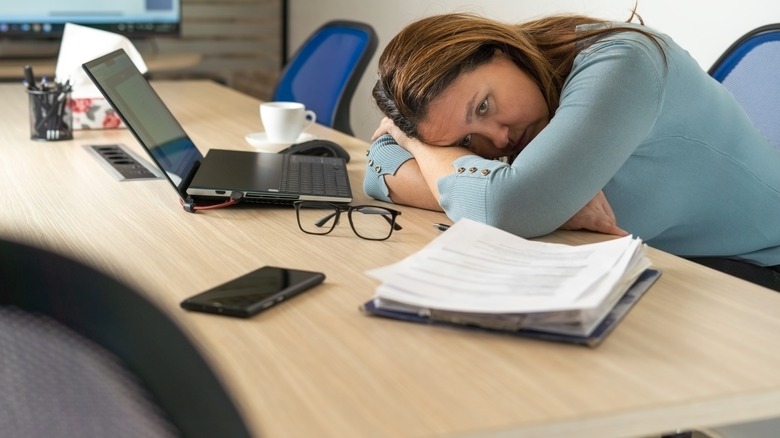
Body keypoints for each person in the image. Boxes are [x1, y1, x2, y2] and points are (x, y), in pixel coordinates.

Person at [363, 11, 780, 291]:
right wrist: (532, 199)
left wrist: (415, 144)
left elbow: (507, 206)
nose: (498, 139)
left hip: (750, 276)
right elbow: (378, 171)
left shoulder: (624, 61)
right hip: (661, 269)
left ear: (499, 50)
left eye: (484, 106)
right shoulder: (530, 108)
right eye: (466, 142)